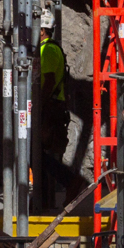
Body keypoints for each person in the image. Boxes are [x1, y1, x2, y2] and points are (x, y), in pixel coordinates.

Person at [37, 13, 72, 207]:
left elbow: (48, 81)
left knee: (38, 154)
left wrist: (38, 106)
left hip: (49, 108)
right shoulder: (47, 49)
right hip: (51, 106)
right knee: (40, 154)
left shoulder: (47, 50)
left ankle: (71, 181)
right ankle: (43, 198)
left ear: (42, 30)